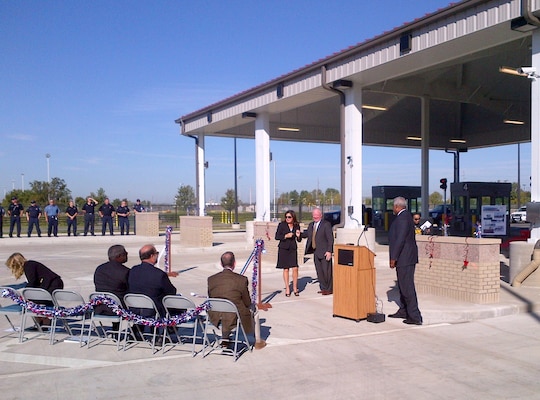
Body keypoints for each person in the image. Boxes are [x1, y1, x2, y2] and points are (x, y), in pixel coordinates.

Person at [388, 197, 423, 325]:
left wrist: (394, 257)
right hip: (404, 258)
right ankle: (403, 310)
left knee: (407, 286)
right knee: (402, 286)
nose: (393, 208)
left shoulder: (403, 218)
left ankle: (415, 316)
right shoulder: (404, 216)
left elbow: (400, 239)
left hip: (405, 258)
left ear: (397, 206)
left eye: (393, 206)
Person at [207, 251, 254, 347]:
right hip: (234, 315)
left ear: (221, 264)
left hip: (215, 314)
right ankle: (257, 341)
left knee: (225, 308)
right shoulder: (242, 280)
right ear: (234, 264)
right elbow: (247, 301)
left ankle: (225, 339)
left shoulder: (211, 279)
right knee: (254, 310)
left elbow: (210, 297)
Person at [128, 244, 176, 317]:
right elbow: (171, 292)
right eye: (157, 253)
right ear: (152, 256)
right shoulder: (159, 274)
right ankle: (171, 328)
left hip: (134, 309)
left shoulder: (133, 270)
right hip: (154, 310)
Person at [94, 245, 130, 330]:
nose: (127, 254)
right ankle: (139, 329)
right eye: (125, 253)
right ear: (119, 256)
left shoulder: (99, 269)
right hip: (118, 308)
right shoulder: (125, 272)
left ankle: (116, 328)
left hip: (100, 307)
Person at [302, 207, 334, 295]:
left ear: (321, 215)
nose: (315, 217)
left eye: (317, 215)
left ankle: (329, 289)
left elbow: (330, 239)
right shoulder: (311, 225)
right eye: (314, 215)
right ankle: (323, 288)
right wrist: (299, 234)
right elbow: (307, 234)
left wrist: (329, 251)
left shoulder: (326, 224)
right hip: (316, 252)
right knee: (319, 272)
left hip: (325, 252)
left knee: (327, 271)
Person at [275, 210, 302, 297]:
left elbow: (299, 239)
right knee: (286, 268)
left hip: (292, 249)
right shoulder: (281, 225)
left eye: (289, 217)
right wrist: (285, 236)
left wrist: (298, 236)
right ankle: (287, 288)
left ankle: (295, 287)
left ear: (293, 217)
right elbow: (277, 236)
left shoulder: (296, 225)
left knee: (295, 268)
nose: (287, 219)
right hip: (283, 248)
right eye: (286, 217)